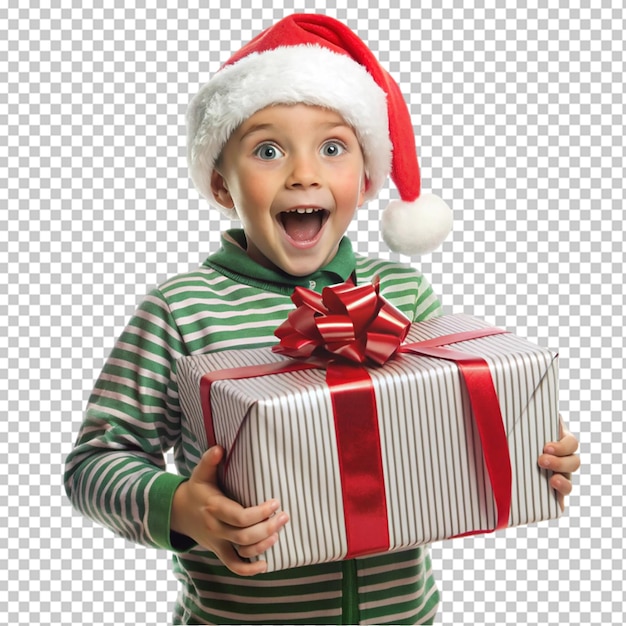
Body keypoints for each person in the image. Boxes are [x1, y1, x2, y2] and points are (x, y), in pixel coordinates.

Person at [64, 13, 580, 625]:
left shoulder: (402, 294)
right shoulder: (180, 311)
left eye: (332, 148)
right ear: (222, 185)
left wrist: (533, 449)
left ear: (364, 181)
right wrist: (181, 508)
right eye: (267, 150)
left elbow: (450, 414)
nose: (303, 172)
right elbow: (95, 463)